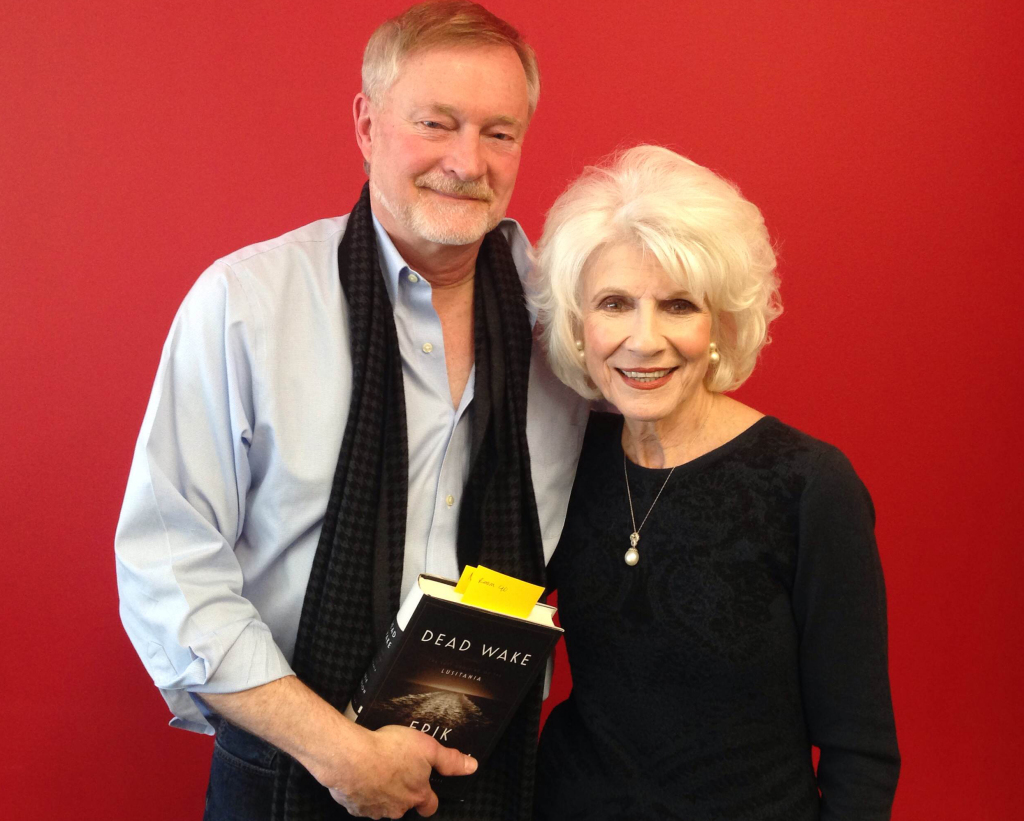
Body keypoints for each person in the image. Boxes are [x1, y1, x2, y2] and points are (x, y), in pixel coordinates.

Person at [114, 3, 587, 820]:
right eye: (436, 123)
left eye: (499, 132)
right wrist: (340, 750)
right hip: (286, 771)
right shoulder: (247, 303)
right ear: (368, 124)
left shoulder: (570, 325)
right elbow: (168, 566)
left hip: (491, 772)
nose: (466, 160)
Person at [529, 145, 900, 820]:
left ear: (720, 325)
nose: (643, 340)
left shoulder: (809, 484)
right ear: (579, 328)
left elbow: (860, 751)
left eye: (677, 306)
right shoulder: (566, 460)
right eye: (614, 303)